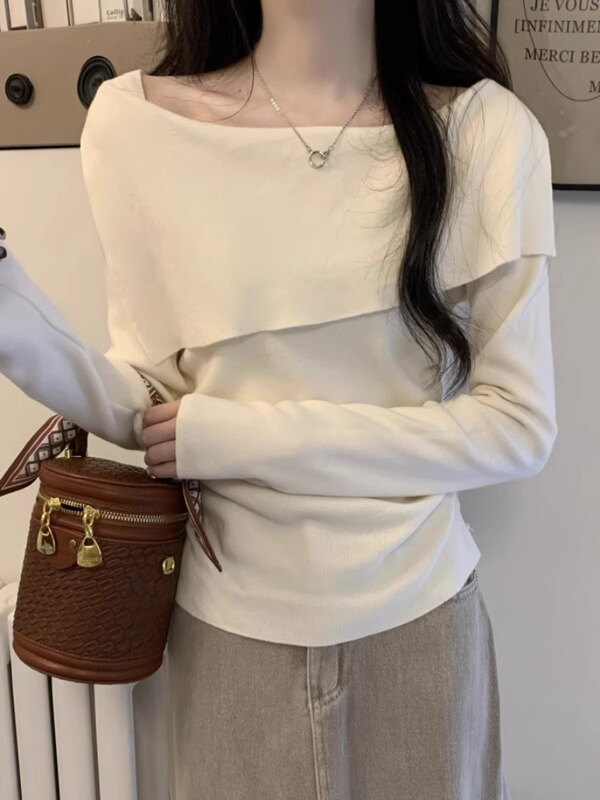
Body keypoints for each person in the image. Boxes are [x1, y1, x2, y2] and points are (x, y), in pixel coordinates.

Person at [0, 0, 558, 797]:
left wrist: (246, 439)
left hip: (421, 625)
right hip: (228, 629)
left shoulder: (486, 131)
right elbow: (155, 405)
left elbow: (518, 426)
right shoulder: (136, 127)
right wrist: (12, 319)